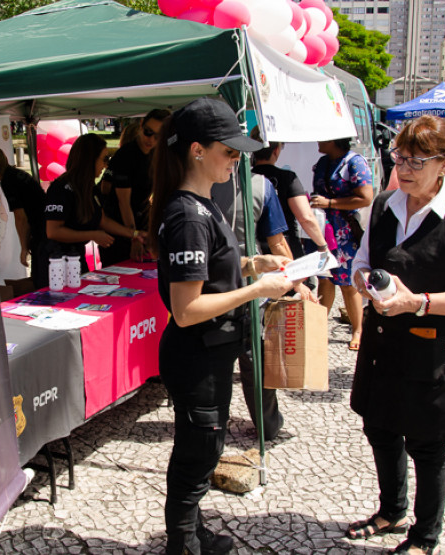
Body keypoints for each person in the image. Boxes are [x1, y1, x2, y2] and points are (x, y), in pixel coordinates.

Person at [347, 115, 445, 554]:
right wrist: (366, 283)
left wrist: (418, 302)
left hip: (432, 349)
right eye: (400, 158)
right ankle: (392, 510)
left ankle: (425, 536)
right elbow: (361, 263)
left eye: (417, 161)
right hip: (383, 343)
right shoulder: (385, 205)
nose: (405, 169)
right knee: (380, 430)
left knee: (425, 445)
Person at [149, 97, 295, 554]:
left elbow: (212, 269)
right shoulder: (187, 215)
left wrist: (252, 264)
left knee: (203, 449)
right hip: (197, 355)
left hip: (210, 352)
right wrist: (258, 289)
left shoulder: (203, 204)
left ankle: (192, 533)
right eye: (229, 151)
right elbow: (186, 308)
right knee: (197, 456)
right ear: (197, 150)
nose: (237, 160)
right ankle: (182, 545)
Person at [211, 167, 296, 441]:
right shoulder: (261, 186)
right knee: (255, 360)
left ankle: (212, 426)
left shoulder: (198, 182)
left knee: (215, 361)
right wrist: (298, 279)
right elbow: (277, 242)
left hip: (212, 285)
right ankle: (267, 423)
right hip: (251, 283)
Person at [308, 138, 374, 351]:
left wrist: (330, 203)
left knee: (348, 283)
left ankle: (358, 330)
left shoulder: (355, 162)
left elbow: (366, 198)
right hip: (324, 229)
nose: (318, 141)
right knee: (325, 280)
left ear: (335, 140)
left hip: (345, 231)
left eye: (323, 138)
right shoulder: (322, 162)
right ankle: (319, 328)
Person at [44, 134, 145, 273]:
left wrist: (134, 234)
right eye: (104, 159)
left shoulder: (90, 188)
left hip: (76, 257)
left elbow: (102, 220)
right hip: (55, 261)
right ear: (90, 160)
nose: (106, 165)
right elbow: (53, 231)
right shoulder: (61, 188)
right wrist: (92, 235)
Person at [100, 109, 171, 266]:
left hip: (142, 226)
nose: (151, 140)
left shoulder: (157, 153)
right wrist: (134, 237)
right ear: (141, 125)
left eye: (158, 136)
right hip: (119, 231)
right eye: (148, 132)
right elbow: (123, 203)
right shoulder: (126, 156)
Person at [250, 128, 328, 259]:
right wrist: (323, 246)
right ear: (276, 151)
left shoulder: (246, 179)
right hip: (286, 249)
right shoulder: (287, 178)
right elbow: (305, 217)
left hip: (256, 252)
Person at [0, 148, 49, 288]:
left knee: (41, 280)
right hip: (44, 228)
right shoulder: (15, 174)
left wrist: (23, 248)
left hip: (43, 232)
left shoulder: (8, 181)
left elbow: (20, 218)